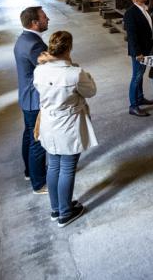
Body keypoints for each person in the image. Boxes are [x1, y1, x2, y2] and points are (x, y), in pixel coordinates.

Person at [33, 31, 97, 228]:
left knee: (53, 166)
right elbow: (91, 91)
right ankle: (65, 213)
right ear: (69, 48)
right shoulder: (74, 73)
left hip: (49, 123)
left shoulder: (40, 70)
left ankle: (56, 208)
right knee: (68, 168)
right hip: (68, 124)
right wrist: (82, 72)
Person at [13, 6, 49, 194]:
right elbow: (49, 69)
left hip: (26, 97)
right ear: (34, 23)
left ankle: (29, 172)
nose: (47, 19)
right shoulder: (35, 45)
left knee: (29, 135)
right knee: (38, 140)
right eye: (44, 17)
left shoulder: (24, 39)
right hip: (35, 99)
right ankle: (39, 183)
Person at [123, 0, 153, 117]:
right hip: (139, 51)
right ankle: (133, 106)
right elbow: (132, 36)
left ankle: (140, 98)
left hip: (147, 48)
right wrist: (137, 53)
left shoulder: (145, 9)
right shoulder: (130, 13)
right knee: (136, 77)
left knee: (140, 75)